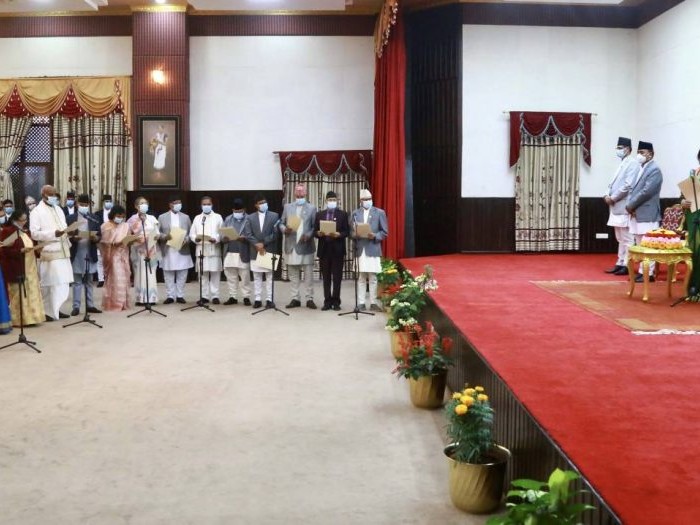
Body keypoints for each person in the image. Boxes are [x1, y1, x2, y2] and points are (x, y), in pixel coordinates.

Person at [29, 185, 75, 321]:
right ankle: (48, 312)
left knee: (62, 282)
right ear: (44, 195)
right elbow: (34, 233)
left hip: (63, 249)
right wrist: (53, 233)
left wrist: (69, 232)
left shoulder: (58, 209)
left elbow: (63, 227)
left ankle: (57, 309)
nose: (54, 197)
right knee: (51, 282)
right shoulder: (36, 212)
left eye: (55, 194)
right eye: (51, 194)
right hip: (50, 251)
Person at [626, 141, 663, 283]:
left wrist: (631, 205)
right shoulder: (641, 168)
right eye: (638, 152)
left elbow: (647, 192)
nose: (639, 155)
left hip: (648, 212)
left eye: (642, 152)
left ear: (651, 154)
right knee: (640, 243)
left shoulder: (654, 170)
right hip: (637, 211)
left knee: (648, 244)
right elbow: (634, 190)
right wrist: (631, 206)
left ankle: (648, 273)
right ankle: (643, 271)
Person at [0, 210, 44, 327]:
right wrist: (20, 251)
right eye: (22, 220)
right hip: (17, 267)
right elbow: (4, 250)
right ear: (15, 220)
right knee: (19, 294)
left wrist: (37, 250)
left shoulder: (25, 231)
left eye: (25, 220)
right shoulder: (8, 231)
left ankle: (32, 318)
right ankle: (19, 319)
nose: (24, 222)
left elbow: (30, 245)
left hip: (30, 267)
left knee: (30, 293)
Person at [604, 137, 640, 276]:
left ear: (628, 149)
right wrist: (606, 194)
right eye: (617, 148)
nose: (618, 150)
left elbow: (628, 185)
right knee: (620, 238)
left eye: (620, 148)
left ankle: (627, 264)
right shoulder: (622, 163)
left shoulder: (633, 163)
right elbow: (612, 183)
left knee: (627, 238)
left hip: (623, 205)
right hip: (615, 206)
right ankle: (619, 263)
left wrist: (613, 198)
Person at [350, 189, 388, 311]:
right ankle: (361, 303)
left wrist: (375, 236)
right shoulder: (355, 213)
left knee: (373, 277)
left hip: (373, 248)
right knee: (361, 277)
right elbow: (351, 232)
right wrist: (355, 234)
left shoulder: (380, 212)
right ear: (361, 201)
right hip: (360, 249)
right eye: (365, 199)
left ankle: (373, 303)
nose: (367, 201)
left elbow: (384, 232)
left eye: (369, 199)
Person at [280, 184, 317, 309]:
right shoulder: (287, 207)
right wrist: (284, 229)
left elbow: (314, 226)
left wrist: (308, 235)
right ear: (294, 193)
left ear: (306, 193)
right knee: (293, 274)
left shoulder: (312, 208)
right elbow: (281, 223)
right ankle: (295, 298)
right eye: (297, 191)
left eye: (302, 191)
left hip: (306, 245)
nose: (299, 193)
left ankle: (309, 298)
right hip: (291, 245)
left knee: (308, 275)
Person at [66, 194, 102, 316]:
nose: (84, 207)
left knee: (89, 281)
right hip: (76, 252)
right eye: (82, 205)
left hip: (89, 251)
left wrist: (95, 238)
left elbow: (99, 235)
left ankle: (90, 305)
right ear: (77, 204)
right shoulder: (70, 218)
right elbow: (66, 235)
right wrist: (73, 238)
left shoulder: (94, 218)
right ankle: (76, 306)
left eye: (86, 205)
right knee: (77, 282)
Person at [315, 191, 349, 311]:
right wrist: (318, 233)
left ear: (337, 201)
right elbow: (315, 231)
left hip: (337, 250)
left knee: (337, 277)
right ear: (326, 201)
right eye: (330, 200)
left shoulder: (343, 214)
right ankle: (327, 301)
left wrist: (339, 234)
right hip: (324, 250)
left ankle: (336, 301)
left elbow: (347, 231)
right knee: (326, 278)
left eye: (334, 200)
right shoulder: (319, 214)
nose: (332, 202)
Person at [245, 193, 279, 309]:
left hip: (268, 249)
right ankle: (257, 299)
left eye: (264, 202)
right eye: (260, 203)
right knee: (257, 276)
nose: (263, 204)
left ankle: (269, 299)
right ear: (256, 205)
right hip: (255, 250)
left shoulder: (274, 216)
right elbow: (248, 234)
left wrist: (263, 243)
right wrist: (257, 244)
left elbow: (275, 233)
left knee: (269, 277)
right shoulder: (250, 217)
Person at [158, 196, 193, 304]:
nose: (178, 205)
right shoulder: (162, 217)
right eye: (176, 203)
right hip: (168, 248)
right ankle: (170, 295)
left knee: (182, 273)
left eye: (179, 203)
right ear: (170, 204)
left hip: (182, 248)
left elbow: (191, 233)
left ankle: (180, 295)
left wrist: (186, 239)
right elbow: (157, 233)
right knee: (168, 273)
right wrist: (165, 236)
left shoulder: (186, 217)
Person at [189, 196, 222, 305]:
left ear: (212, 205)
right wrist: (195, 239)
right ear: (201, 205)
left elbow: (222, 232)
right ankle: (204, 296)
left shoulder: (218, 217)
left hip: (214, 249)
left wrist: (216, 239)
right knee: (203, 275)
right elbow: (192, 233)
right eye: (204, 204)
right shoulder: (197, 218)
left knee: (215, 274)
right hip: (201, 249)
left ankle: (215, 296)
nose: (206, 206)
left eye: (208, 204)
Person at [127, 196, 160, 306]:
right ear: (136, 206)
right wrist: (137, 239)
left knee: (151, 273)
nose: (144, 205)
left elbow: (157, 232)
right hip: (139, 250)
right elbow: (128, 235)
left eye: (145, 203)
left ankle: (151, 297)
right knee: (140, 273)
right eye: (141, 203)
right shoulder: (132, 220)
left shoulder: (152, 218)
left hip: (151, 249)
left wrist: (155, 236)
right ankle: (140, 298)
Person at [100, 205, 132, 311]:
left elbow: (128, 239)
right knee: (116, 278)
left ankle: (123, 303)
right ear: (113, 215)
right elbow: (104, 243)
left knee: (125, 278)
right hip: (113, 256)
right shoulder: (106, 226)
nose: (120, 218)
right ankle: (114, 303)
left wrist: (131, 240)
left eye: (122, 216)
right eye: (118, 216)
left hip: (124, 255)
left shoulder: (125, 226)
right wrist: (115, 243)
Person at [222, 198, 251, 306]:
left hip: (243, 251)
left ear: (244, 209)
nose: (237, 213)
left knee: (245, 276)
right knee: (230, 275)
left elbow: (252, 235)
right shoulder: (228, 219)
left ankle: (246, 297)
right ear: (232, 210)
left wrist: (245, 238)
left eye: (239, 211)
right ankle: (232, 296)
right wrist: (224, 238)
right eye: (235, 211)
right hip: (229, 251)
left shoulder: (249, 219)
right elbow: (222, 234)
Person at [94, 194, 115, 288]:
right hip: (101, 239)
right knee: (100, 260)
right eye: (106, 201)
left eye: (110, 201)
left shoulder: (115, 213)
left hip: (112, 240)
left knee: (111, 260)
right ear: (103, 202)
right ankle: (101, 279)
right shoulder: (97, 214)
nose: (108, 203)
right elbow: (95, 226)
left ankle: (110, 278)